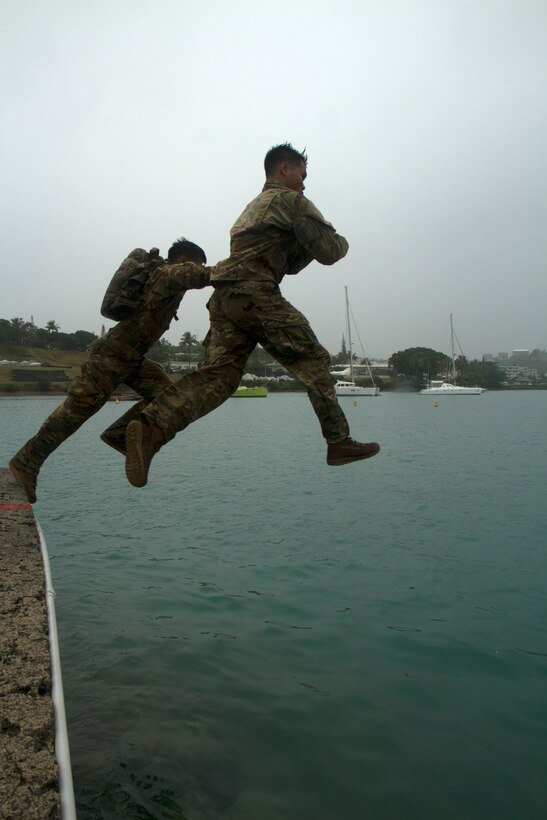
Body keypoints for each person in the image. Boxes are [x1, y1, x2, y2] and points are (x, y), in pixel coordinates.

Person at [124, 142, 380, 489]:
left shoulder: (249, 211)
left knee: (219, 378)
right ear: (284, 169)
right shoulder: (291, 202)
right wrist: (341, 239)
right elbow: (330, 252)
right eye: (302, 176)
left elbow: (287, 264)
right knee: (315, 361)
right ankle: (338, 442)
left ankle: (150, 430)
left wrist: (301, 245)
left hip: (226, 297)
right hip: (255, 294)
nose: (304, 184)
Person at [9, 238, 211, 503]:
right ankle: (27, 463)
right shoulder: (165, 274)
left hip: (133, 358)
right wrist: (245, 269)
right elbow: (204, 275)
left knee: (169, 396)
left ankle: (121, 435)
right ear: (185, 261)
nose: (197, 268)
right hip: (111, 355)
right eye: (196, 263)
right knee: (76, 412)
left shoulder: (169, 280)